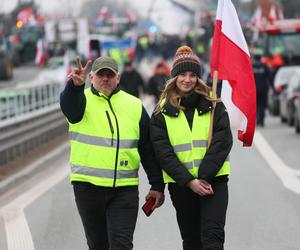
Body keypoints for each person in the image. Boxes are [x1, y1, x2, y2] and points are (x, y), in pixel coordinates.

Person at [60, 56, 165, 250]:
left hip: (124, 190)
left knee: (121, 245)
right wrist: (74, 87)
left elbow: (147, 149)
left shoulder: (134, 105)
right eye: (101, 75)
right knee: (98, 245)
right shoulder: (80, 100)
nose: (105, 79)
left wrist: (157, 184)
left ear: (118, 78)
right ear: (92, 77)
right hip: (88, 189)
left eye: (110, 75)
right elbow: (69, 107)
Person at [150, 45, 232, 250]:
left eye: (193, 74)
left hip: (214, 181)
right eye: (183, 74)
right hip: (181, 186)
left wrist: (203, 176)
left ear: (199, 77)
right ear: (174, 77)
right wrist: (189, 182)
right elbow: (163, 153)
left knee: (213, 239)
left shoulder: (214, 104)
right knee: (192, 240)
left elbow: (223, 140)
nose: (188, 79)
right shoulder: (161, 112)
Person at [252, 49, 270, 127]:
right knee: (262, 105)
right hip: (263, 89)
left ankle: (257, 120)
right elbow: (269, 77)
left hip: (253, 90)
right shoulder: (264, 66)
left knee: (255, 106)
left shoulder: (251, 66)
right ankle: (261, 120)